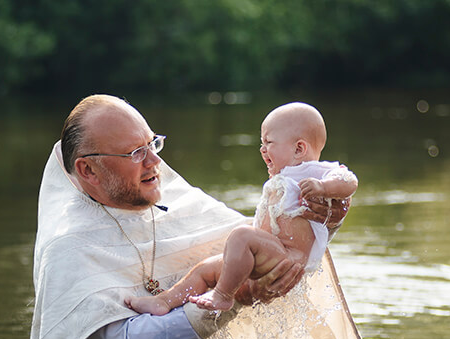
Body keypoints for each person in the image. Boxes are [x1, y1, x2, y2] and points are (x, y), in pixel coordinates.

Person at [12, 94, 439, 339]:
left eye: (152, 145)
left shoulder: (181, 212)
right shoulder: (68, 247)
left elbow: (267, 247)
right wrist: (225, 301)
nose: (153, 162)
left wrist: (318, 223)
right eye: (135, 152)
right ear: (88, 169)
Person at [125, 102, 357, 316]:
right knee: (205, 268)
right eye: (261, 143)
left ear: (298, 149)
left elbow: (349, 181)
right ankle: (165, 301)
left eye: (269, 143)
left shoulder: (315, 172)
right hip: (267, 251)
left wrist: (324, 187)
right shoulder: (283, 175)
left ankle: (223, 296)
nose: (262, 150)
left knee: (241, 235)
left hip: (288, 258)